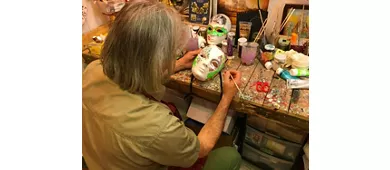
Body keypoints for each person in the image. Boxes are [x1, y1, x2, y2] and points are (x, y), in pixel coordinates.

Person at [82, 1, 242, 170]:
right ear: (155, 60)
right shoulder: (159, 127)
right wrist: (226, 98)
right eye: (169, 53)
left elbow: (132, 68)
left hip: (99, 162)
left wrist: (177, 64)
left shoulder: (93, 71)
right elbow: (202, 147)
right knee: (229, 156)